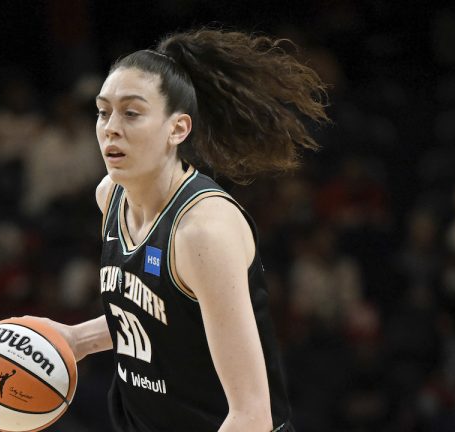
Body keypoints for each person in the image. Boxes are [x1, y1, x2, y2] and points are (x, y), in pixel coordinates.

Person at [37, 28, 329, 432]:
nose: (110, 128)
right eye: (104, 111)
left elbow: (251, 416)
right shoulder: (112, 197)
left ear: (178, 129)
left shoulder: (203, 232)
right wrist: (76, 339)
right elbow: (158, 317)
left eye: (131, 113)